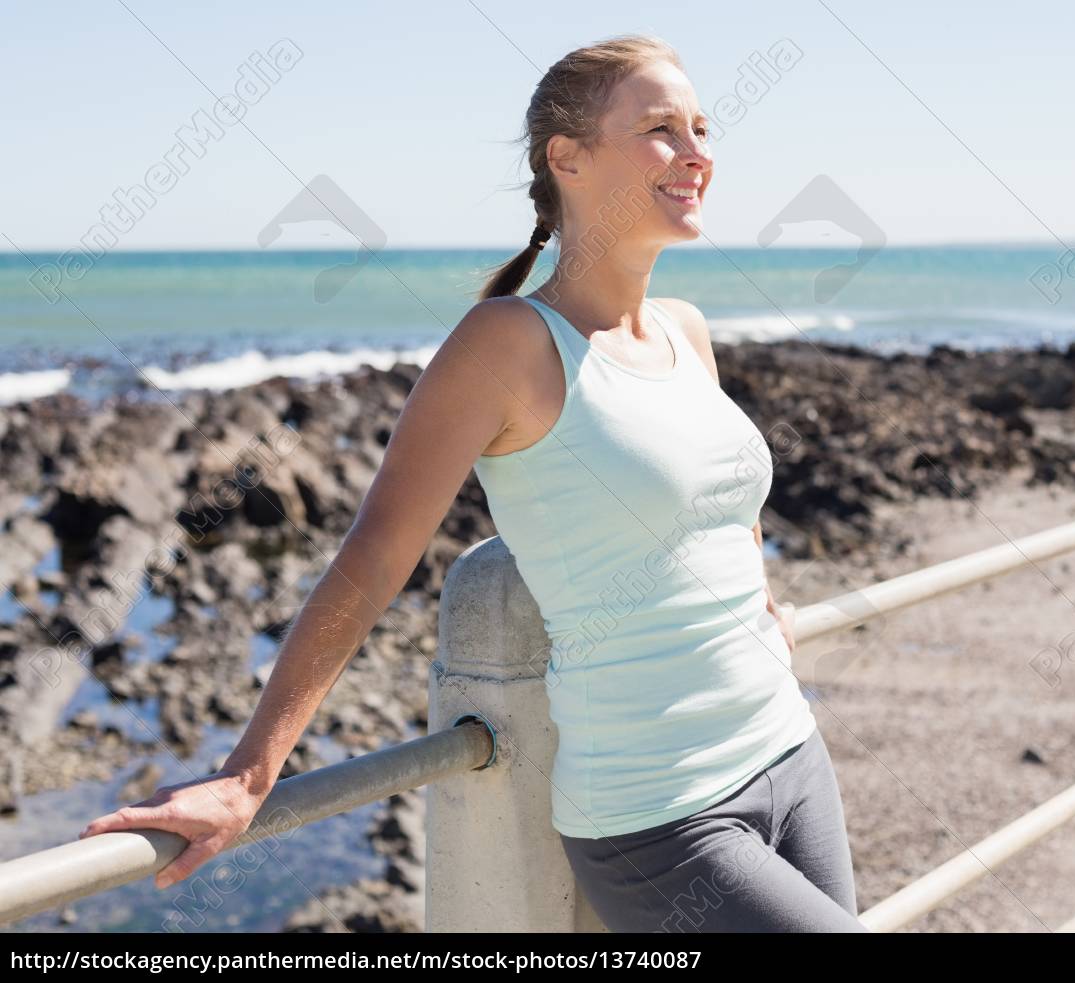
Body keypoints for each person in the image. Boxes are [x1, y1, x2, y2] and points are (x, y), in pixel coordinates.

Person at [78, 33, 866, 934]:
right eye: (660, 129)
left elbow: (721, 499)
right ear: (566, 159)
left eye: (700, 126)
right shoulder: (504, 345)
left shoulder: (686, 330)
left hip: (789, 749)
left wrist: (761, 598)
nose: (697, 153)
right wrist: (250, 775)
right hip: (666, 817)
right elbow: (374, 557)